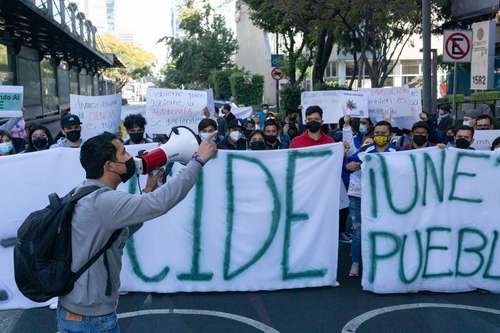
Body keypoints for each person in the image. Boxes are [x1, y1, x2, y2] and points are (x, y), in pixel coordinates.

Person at [56, 132, 217, 333]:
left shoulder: (85, 192)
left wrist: (148, 189)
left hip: (78, 310)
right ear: (109, 165)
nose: (130, 158)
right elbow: (159, 204)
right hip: (91, 319)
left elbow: (119, 231)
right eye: (123, 153)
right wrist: (197, 161)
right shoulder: (103, 201)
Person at [345, 121, 397, 277]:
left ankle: (382, 262)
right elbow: (348, 165)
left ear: (390, 135)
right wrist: (353, 165)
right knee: (358, 230)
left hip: (384, 198)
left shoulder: (397, 153)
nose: (380, 136)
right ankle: (355, 263)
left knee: (384, 229)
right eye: (377, 133)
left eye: (383, 133)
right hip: (360, 196)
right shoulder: (366, 150)